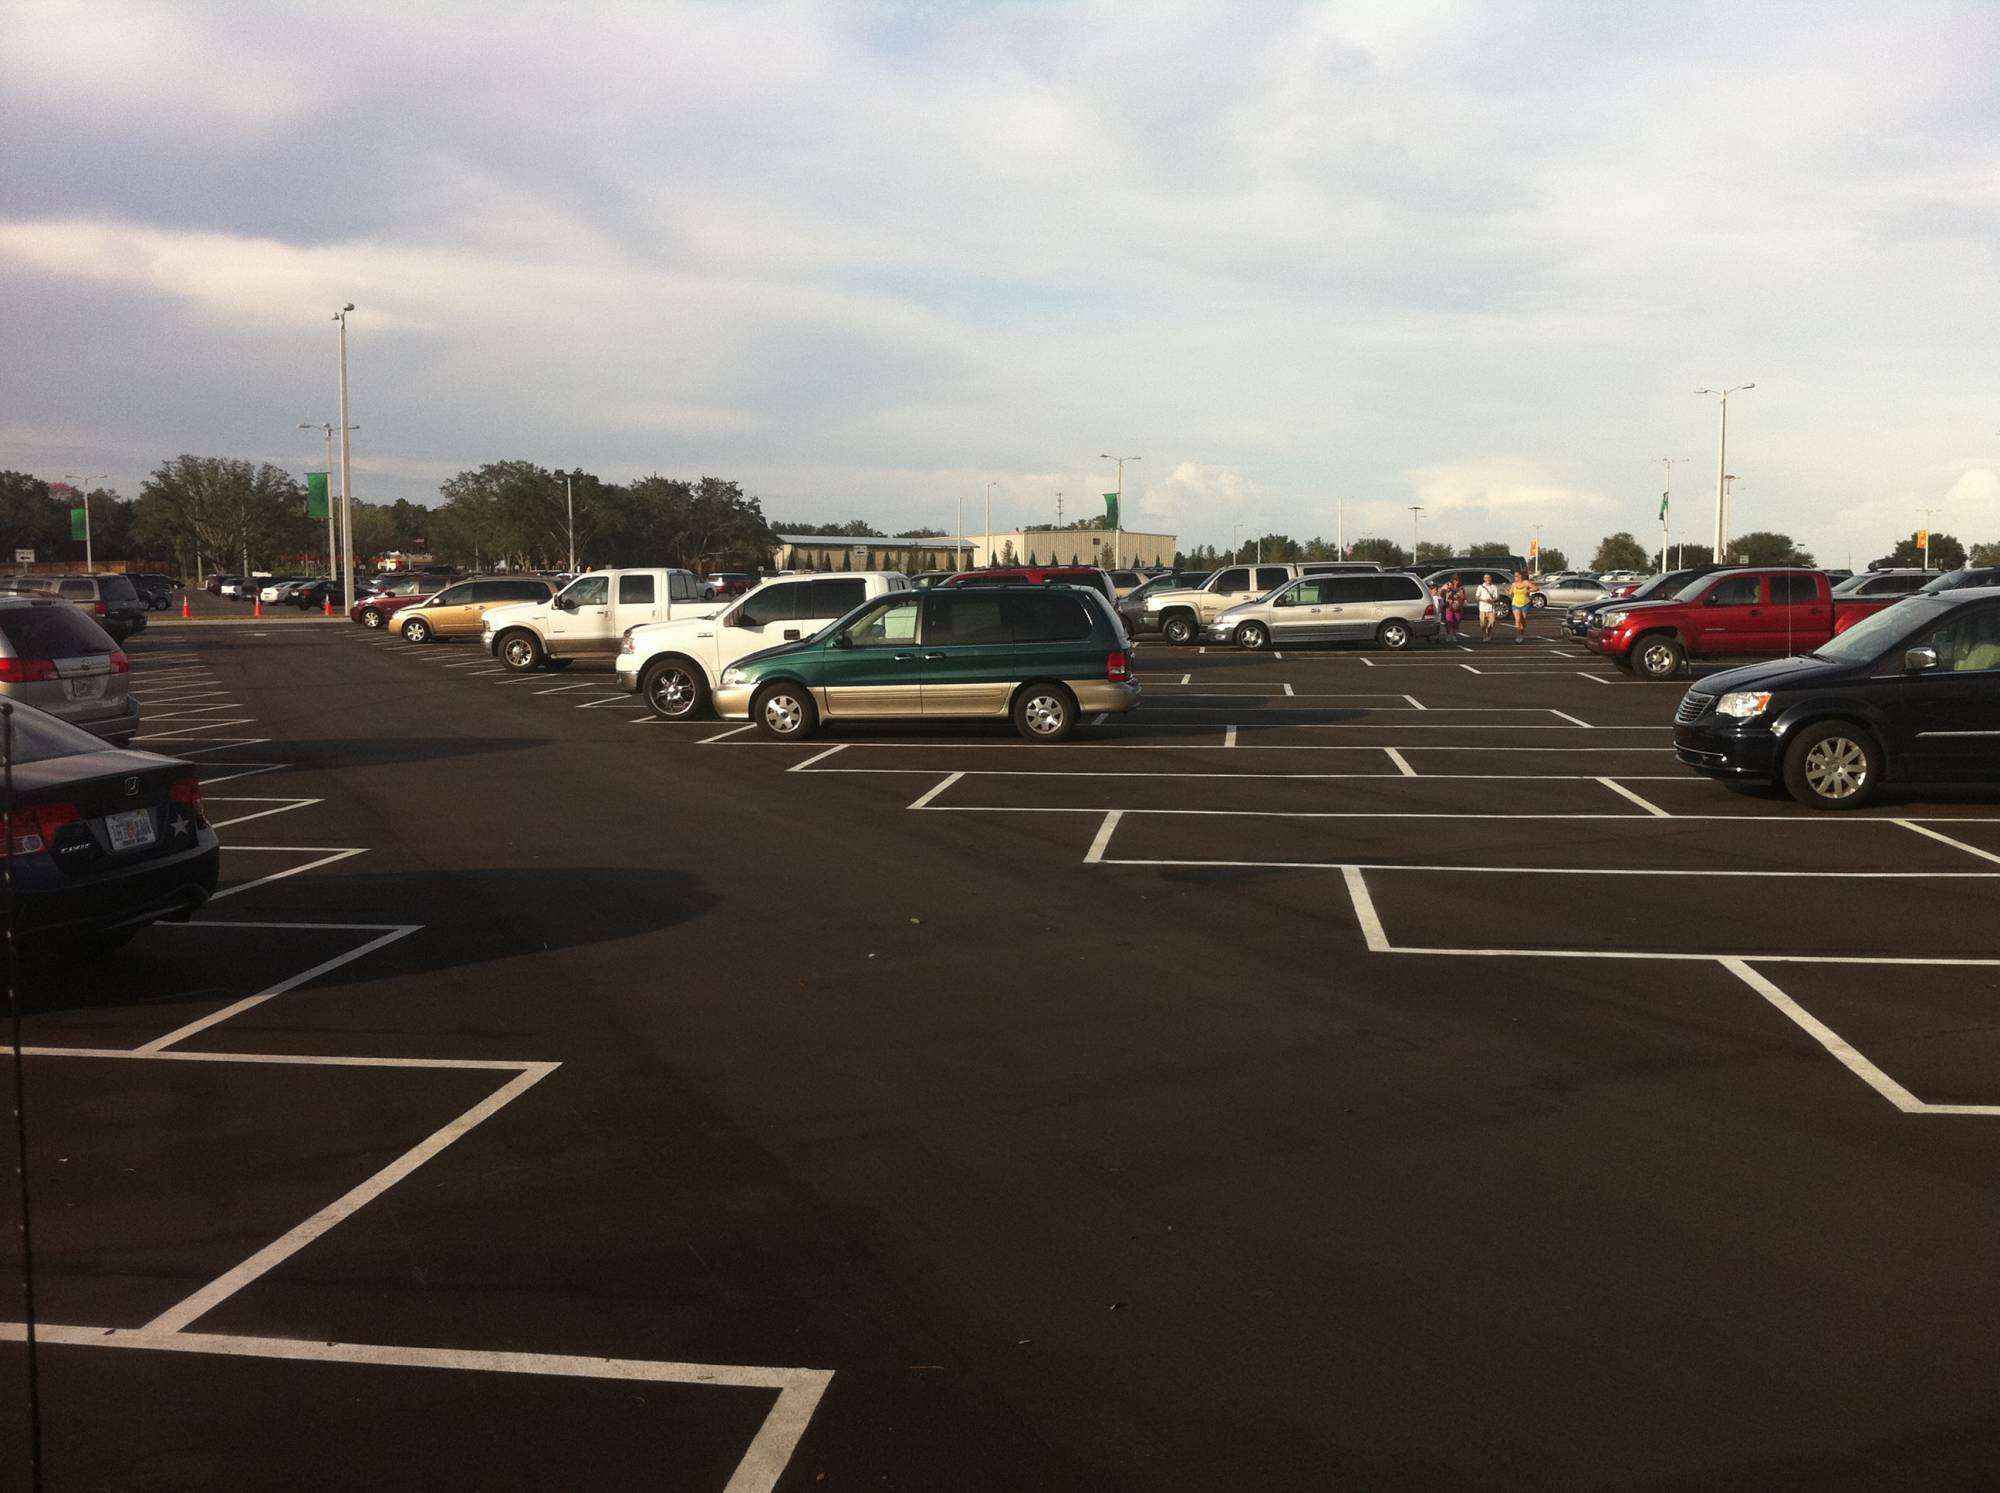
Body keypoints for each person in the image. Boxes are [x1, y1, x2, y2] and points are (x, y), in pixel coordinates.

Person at [1475, 573, 1501, 640]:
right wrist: (1484, 600)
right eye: (1486, 578)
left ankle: (1488, 633)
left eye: (1489, 577)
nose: (1487, 579)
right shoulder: (1480, 587)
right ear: (1484, 579)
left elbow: (1497, 597)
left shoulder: (1494, 587)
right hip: (1482, 608)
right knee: (1483, 623)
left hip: (1491, 608)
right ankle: (1484, 635)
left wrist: (1492, 600)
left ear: (1491, 578)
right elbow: (1477, 597)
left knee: (1492, 622)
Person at [1511, 570, 1533, 642]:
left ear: (1521, 576)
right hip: (1515, 604)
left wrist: (1528, 591)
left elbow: (1536, 588)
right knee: (1517, 620)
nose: (1515, 577)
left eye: (1516, 576)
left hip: (1525, 604)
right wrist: (1504, 589)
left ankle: (1521, 635)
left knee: (1523, 620)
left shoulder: (1526, 582)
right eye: (1514, 576)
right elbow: (1510, 592)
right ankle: (1518, 636)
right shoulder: (1514, 584)